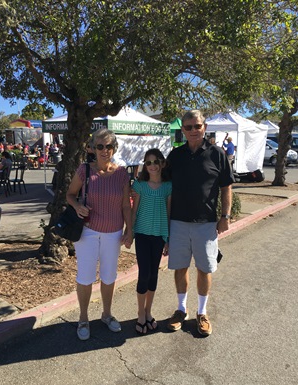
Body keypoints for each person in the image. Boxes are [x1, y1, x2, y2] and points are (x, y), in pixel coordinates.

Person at [166, 110, 234, 336]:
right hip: (178, 222)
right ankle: (181, 310)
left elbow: (226, 187)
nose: (193, 131)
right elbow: (164, 188)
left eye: (197, 126)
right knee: (180, 267)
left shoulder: (217, 154)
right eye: (188, 127)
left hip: (206, 223)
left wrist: (225, 216)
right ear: (183, 130)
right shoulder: (175, 156)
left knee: (205, 268)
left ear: (204, 127)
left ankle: (202, 313)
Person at [66, 128, 133, 341]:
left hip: (113, 234)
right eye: (100, 146)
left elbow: (125, 205)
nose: (105, 150)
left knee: (109, 277)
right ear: (93, 148)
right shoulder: (84, 170)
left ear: (114, 148)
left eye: (109, 146)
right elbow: (70, 194)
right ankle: (83, 318)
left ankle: (106, 314)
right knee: (85, 277)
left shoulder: (122, 173)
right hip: (88, 232)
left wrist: (129, 230)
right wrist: (77, 206)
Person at [131, 148, 172, 335]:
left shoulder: (168, 186)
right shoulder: (140, 186)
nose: (153, 166)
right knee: (144, 273)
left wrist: (168, 238)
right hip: (142, 234)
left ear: (162, 163)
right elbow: (134, 210)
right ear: (145, 166)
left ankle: (148, 311)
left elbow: (169, 213)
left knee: (153, 275)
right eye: (148, 163)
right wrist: (129, 231)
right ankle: (140, 312)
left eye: (156, 162)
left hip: (159, 235)